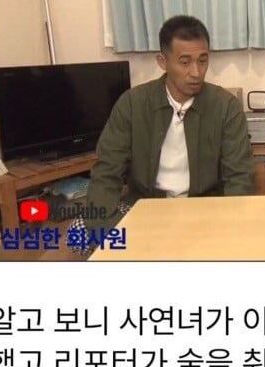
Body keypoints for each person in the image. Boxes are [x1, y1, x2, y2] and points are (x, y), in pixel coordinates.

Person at [85, 14, 254, 229]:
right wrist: (108, 228)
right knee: (81, 232)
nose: (196, 72)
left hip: (206, 208)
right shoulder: (132, 104)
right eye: (185, 62)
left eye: (203, 60)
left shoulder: (226, 107)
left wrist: (232, 225)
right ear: (162, 61)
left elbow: (239, 177)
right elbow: (106, 173)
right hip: (146, 207)